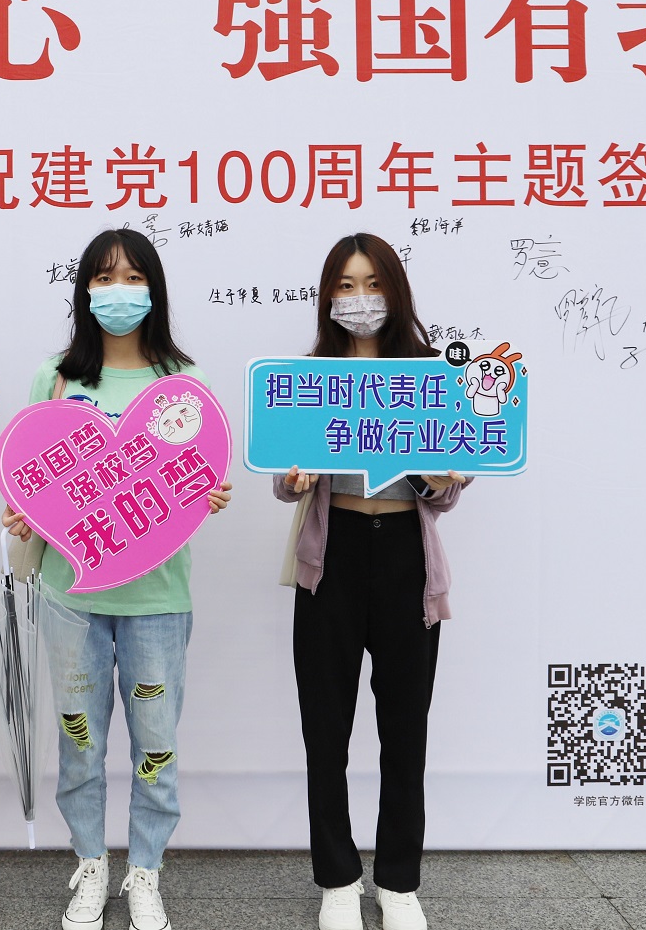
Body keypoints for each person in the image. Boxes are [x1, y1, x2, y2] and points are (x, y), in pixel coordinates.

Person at [4, 228, 231, 930]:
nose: (118, 291)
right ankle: (91, 862)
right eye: (104, 278)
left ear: (154, 290)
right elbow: (34, 476)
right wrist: (24, 515)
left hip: (157, 596)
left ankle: (146, 870)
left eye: (133, 277)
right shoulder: (56, 376)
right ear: (84, 291)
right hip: (71, 595)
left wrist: (207, 493)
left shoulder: (182, 382)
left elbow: (196, 471)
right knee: (82, 742)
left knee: (155, 744)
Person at [274, 233, 469, 930]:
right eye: (347, 286)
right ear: (329, 296)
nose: (361, 299)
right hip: (333, 558)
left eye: (373, 284)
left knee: (405, 728)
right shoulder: (309, 375)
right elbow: (281, 477)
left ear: (396, 290)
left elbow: (451, 487)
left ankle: (398, 882)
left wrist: (434, 471)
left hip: (406, 560)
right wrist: (295, 477)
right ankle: (336, 879)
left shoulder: (432, 374)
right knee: (325, 729)